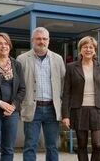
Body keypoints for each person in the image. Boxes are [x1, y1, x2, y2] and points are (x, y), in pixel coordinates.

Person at [17, 27, 66, 161]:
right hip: (32, 107)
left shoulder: (58, 59)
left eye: (44, 39)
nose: (41, 41)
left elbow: (63, 83)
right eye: (38, 38)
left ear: (49, 41)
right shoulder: (21, 59)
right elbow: (18, 85)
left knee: (52, 146)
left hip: (52, 108)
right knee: (30, 145)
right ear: (32, 40)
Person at [62, 36, 100, 161]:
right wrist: (66, 115)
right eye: (85, 47)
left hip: (98, 109)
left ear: (95, 50)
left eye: (91, 47)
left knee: (97, 144)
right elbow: (66, 93)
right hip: (79, 110)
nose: (88, 49)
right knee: (82, 144)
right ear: (80, 50)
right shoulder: (71, 67)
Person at [0, 33, 25, 161]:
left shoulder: (16, 64)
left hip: (11, 112)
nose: (4, 46)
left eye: (6, 43)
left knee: (8, 148)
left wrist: (13, 106)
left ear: (10, 46)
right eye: (0, 43)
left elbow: (22, 89)